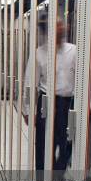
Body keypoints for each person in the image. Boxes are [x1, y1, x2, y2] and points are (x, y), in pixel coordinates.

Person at [23, 18, 77, 172]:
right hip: (45, 103)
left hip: (68, 104)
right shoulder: (39, 53)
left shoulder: (74, 51)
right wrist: (28, 110)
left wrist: (90, 103)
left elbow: (86, 79)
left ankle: (58, 173)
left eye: (62, 24)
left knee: (67, 141)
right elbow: (29, 84)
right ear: (49, 31)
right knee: (43, 145)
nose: (62, 27)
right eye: (57, 25)